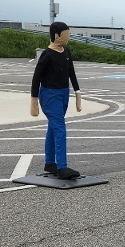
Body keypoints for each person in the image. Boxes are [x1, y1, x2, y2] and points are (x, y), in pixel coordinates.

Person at [30, 21, 83, 179]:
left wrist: (78, 94)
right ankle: (62, 167)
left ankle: (50, 163)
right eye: (66, 34)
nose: (68, 37)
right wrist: (34, 101)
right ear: (57, 36)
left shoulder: (66, 52)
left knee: (53, 128)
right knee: (60, 128)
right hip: (49, 95)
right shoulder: (47, 54)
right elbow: (36, 78)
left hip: (63, 93)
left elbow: (71, 72)